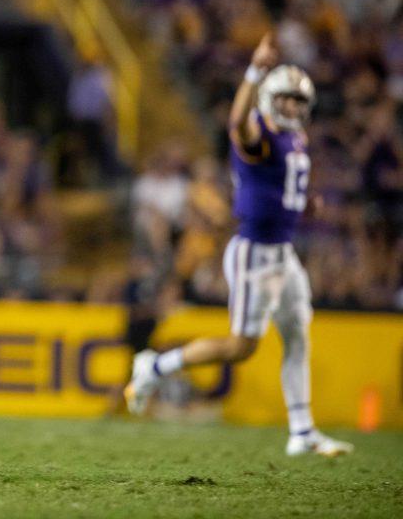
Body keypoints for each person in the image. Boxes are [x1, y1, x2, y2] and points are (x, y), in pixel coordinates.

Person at [125, 33, 353, 457]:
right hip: (254, 253)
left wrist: (305, 204)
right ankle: (155, 366)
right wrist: (253, 72)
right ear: (269, 98)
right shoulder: (259, 132)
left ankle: (302, 431)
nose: (294, 108)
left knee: (297, 334)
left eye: (299, 102)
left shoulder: (294, 138)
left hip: (284, 251)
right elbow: (236, 124)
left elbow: (279, 189)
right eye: (286, 99)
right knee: (240, 348)